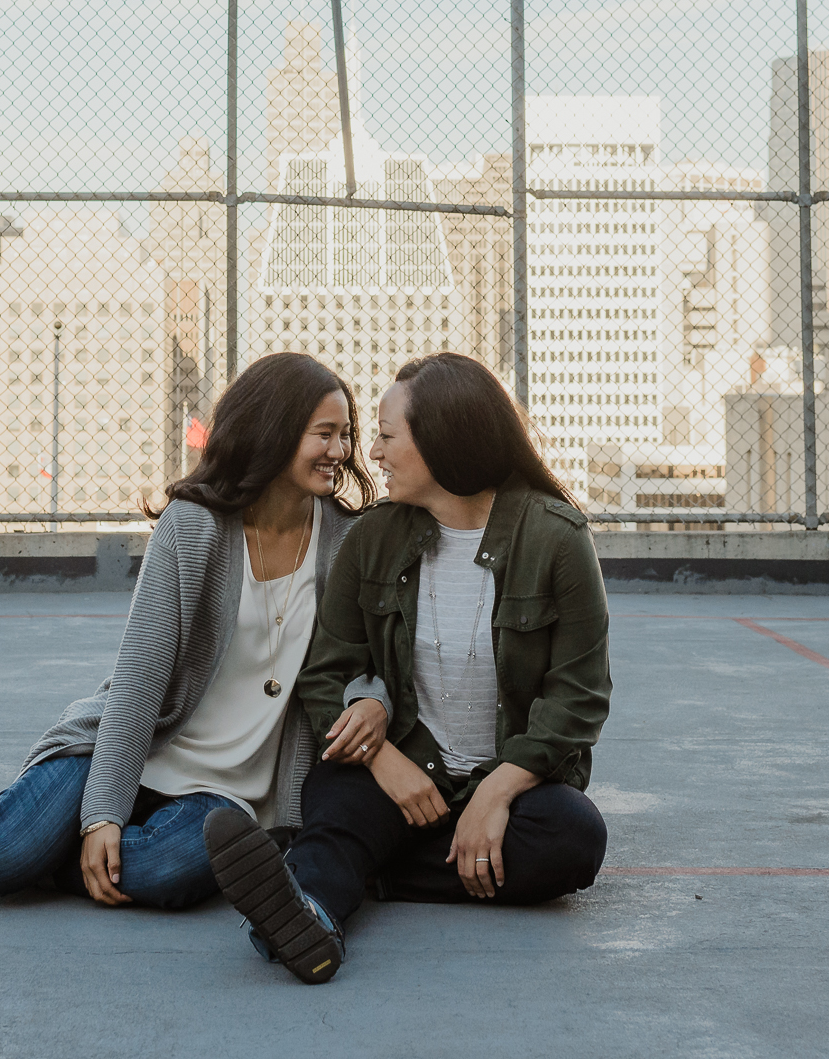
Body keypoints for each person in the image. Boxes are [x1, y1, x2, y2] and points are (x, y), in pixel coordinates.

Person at [0, 352, 380, 911]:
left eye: (346, 435)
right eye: (323, 434)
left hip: (225, 793)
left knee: (167, 873)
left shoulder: (344, 541)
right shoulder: (194, 527)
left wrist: (369, 700)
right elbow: (139, 679)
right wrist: (103, 814)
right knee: (2, 856)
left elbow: (362, 664)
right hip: (129, 749)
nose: (340, 451)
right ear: (274, 432)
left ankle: (10, 849)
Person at [202, 351, 611, 982]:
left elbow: (578, 698)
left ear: (442, 439)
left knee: (574, 838)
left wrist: (494, 794)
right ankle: (310, 921)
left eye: (388, 438)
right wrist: (381, 759)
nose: (374, 457)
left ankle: (346, 872)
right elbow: (326, 673)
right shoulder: (374, 539)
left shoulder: (557, 539)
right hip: (400, 772)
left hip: (515, 787)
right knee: (336, 797)